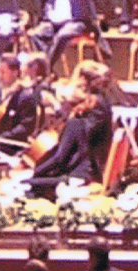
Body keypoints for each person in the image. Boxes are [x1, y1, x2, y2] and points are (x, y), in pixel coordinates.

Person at [29, 60, 114, 194]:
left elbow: (59, 159)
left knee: (23, 185)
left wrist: (33, 173)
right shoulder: (101, 107)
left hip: (77, 177)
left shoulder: (77, 122)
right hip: (90, 173)